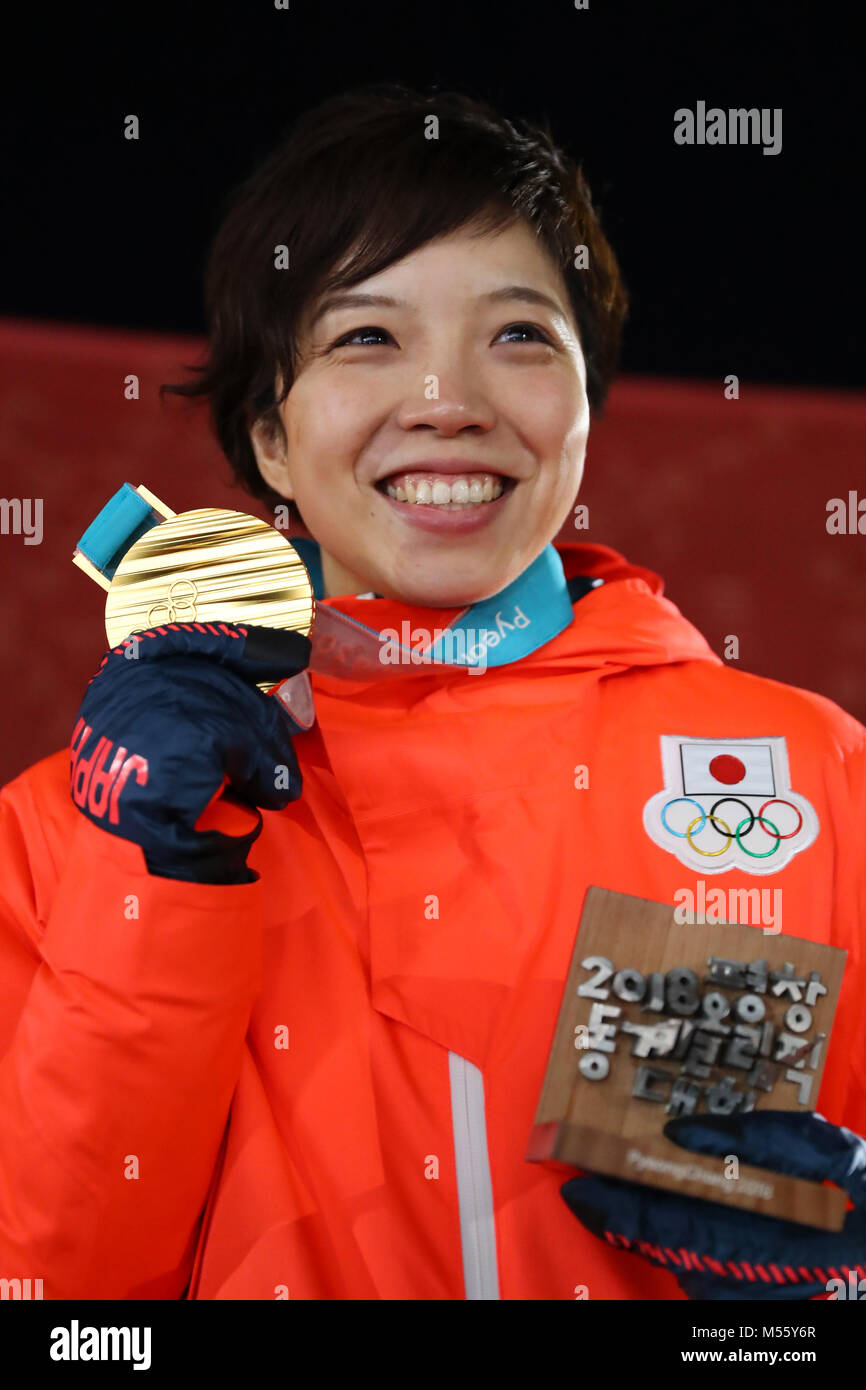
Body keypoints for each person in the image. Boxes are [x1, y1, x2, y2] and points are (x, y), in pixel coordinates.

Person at [1, 83, 864, 1302]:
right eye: (365, 337)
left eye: (518, 336)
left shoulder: (814, 773)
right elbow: (60, 1298)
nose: (449, 401)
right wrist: (145, 877)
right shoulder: (70, 829)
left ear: (582, 409)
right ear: (268, 440)